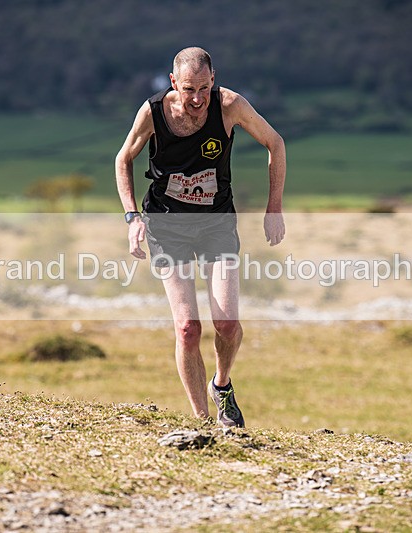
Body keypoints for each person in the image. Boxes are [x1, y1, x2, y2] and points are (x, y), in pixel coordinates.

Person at [115, 47, 286, 427]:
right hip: (165, 224)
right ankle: (202, 423)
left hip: (216, 224)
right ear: (174, 82)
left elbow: (276, 144)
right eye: (189, 89)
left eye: (204, 88)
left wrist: (274, 208)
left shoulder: (230, 106)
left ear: (214, 80)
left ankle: (221, 385)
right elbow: (123, 159)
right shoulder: (153, 113)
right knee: (187, 328)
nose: (197, 99)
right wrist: (132, 217)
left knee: (227, 324)